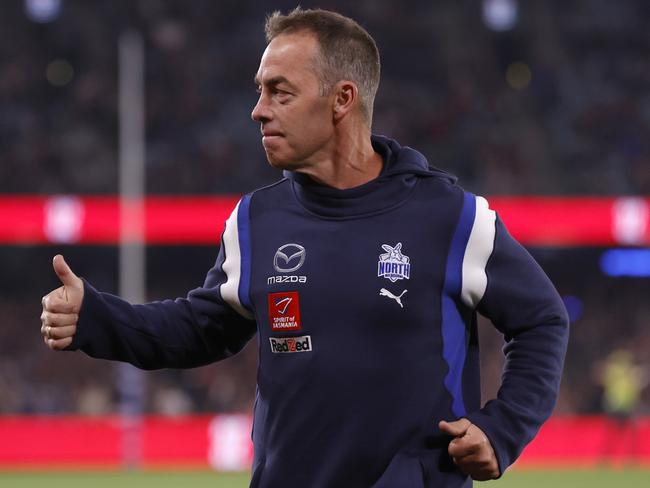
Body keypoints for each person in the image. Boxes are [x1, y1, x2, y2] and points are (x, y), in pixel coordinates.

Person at [40, 7, 569, 487]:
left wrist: (503, 430)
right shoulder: (256, 221)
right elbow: (198, 330)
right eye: (259, 91)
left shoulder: (451, 217)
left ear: (342, 99)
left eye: (280, 92)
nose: (258, 111)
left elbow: (543, 319)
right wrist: (95, 316)